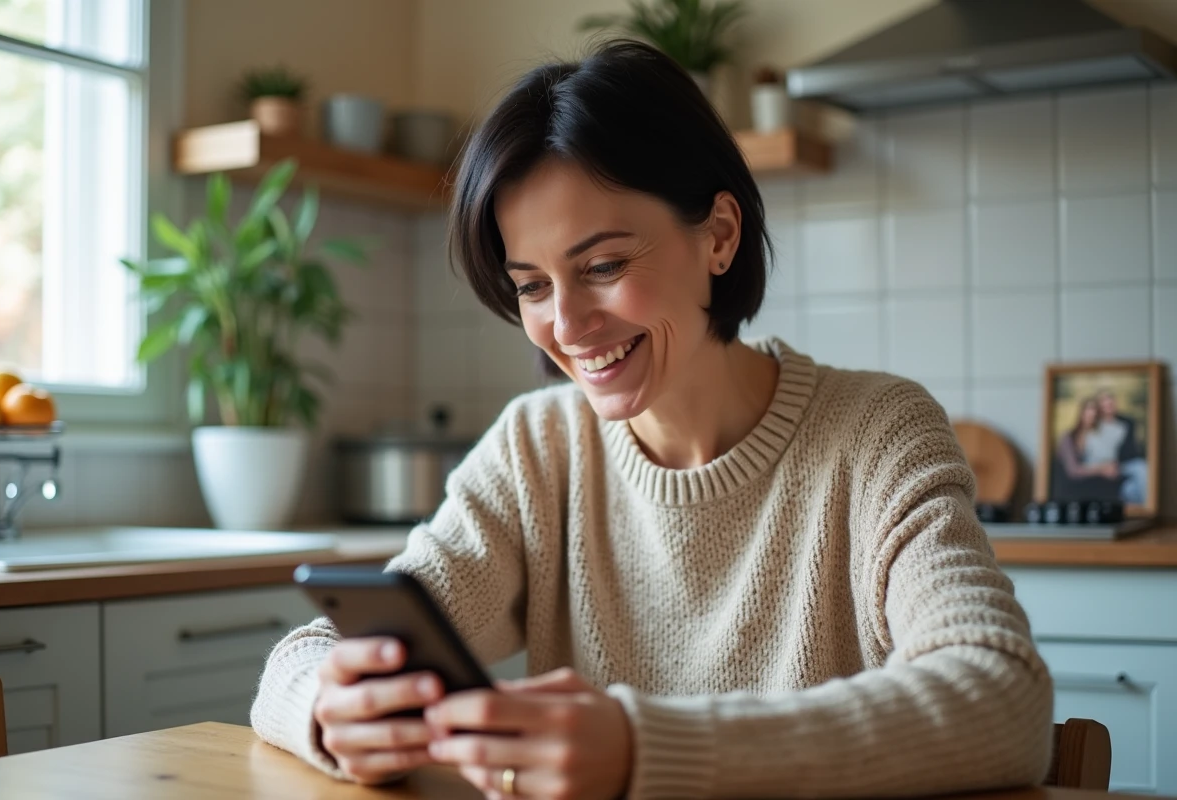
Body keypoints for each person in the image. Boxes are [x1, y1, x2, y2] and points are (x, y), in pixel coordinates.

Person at [250, 41, 1053, 800]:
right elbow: (312, 653)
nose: (565, 324)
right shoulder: (539, 448)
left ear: (720, 236)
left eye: (602, 266)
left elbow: (1002, 694)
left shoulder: (878, 432)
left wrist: (643, 749)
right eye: (531, 285)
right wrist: (331, 710)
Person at [1053, 397, 1120, 502]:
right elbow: (1073, 471)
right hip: (1070, 490)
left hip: (1093, 488)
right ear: (1081, 414)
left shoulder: (1099, 438)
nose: (1091, 417)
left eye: (1095, 414)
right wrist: (1102, 469)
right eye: (1088, 413)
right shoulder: (1068, 438)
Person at [1088, 389, 1148, 506]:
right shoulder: (1095, 426)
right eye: (1104, 403)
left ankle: (1145, 509)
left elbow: (1131, 449)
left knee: (1133, 483)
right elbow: (1094, 452)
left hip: (1124, 463)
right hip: (1102, 464)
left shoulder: (1125, 424)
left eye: (1110, 402)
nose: (1108, 405)